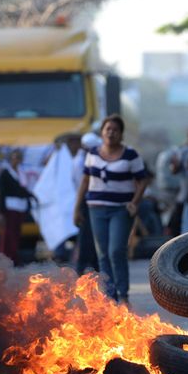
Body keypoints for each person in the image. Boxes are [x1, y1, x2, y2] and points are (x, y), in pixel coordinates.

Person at [74, 114, 147, 304]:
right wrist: (77, 208)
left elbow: (142, 180)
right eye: (108, 129)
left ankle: (123, 294)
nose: (111, 133)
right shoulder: (92, 154)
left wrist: (135, 202)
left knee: (116, 250)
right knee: (103, 254)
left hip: (121, 210)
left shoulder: (131, 155)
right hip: (96, 209)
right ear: (102, 133)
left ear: (121, 134)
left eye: (115, 130)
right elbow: (85, 181)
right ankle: (109, 296)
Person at [0, 149, 37, 265]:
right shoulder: (5, 173)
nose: (17, 160)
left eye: (19, 157)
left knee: (16, 233)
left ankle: (13, 256)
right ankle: (5, 257)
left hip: (20, 207)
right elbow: (1, 192)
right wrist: (1, 211)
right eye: (15, 157)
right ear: (11, 159)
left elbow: (22, 190)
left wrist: (32, 196)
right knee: (8, 233)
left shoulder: (21, 173)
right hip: (9, 207)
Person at [75, 132, 101, 274]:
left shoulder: (88, 159)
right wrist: (78, 208)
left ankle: (94, 267)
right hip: (87, 203)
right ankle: (82, 268)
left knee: (95, 237)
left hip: (94, 202)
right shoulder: (81, 162)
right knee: (87, 238)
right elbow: (83, 185)